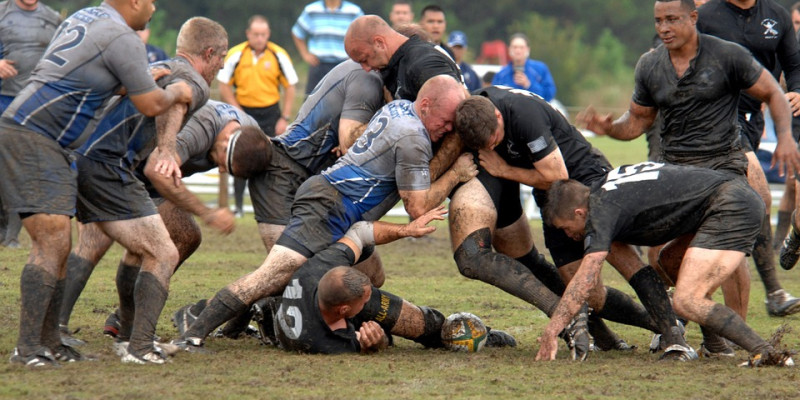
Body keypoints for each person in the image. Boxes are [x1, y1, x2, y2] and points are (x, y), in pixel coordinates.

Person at [171, 75, 474, 350]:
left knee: (372, 275)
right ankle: (193, 332)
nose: (449, 129)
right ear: (426, 105)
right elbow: (417, 207)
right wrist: (456, 174)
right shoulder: (412, 136)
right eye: (446, 121)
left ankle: (263, 314)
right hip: (329, 205)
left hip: (340, 206)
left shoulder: (400, 108)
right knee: (273, 274)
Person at [579, 0, 800, 327]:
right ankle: (689, 322)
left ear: (693, 18)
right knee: (664, 255)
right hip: (675, 171)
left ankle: (733, 329)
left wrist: (785, 138)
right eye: (658, 21)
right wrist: (610, 128)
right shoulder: (650, 65)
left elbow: (773, 92)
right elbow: (638, 120)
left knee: (730, 242)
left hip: (722, 165)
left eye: (672, 19)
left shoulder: (727, 55)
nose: (664, 28)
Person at [0, 0, 195, 368]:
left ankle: (50, 343)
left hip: (35, 133)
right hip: (35, 135)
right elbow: (152, 104)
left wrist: (137, 80)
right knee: (50, 242)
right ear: (134, 2)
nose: (153, 8)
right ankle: (27, 350)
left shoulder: (86, 16)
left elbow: (89, 78)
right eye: (150, 1)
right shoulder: (123, 36)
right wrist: (176, 93)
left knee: (59, 244)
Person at [453, 90, 683, 359]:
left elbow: (557, 176)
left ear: (498, 115)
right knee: (587, 292)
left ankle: (674, 336)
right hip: (551, 197)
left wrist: (504, 170)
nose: (493, 147)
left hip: (584, 179)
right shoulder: (476, 113)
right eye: (486, 146)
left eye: (495, 138)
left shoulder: (524, 114)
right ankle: (639, 329)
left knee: (622, 258)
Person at [66, 16, 227, 364]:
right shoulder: (195, 81)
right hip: (107, 166)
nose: (222, 67)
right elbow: (177, 100)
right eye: (222, 59)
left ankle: (60, 334)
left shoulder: (157, 67)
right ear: (209, 54)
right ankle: (139, 347)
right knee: (164, 252)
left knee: (97, 245)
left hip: (83, 157)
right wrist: (167, 149)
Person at [537, 163, 794, 367]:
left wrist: (553, 329)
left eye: (566, 228)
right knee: (670, 261)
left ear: (579, 213)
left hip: (730, 206)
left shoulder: (600, 211)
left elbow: (585, 280)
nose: (569, 235)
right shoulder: (604, 191)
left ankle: (766, 353)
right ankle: (716, 345)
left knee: (686, 300)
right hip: (726, 198)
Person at [58, 100, 263, 345]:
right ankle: (56, 327)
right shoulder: (199, 128)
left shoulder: (252, 134)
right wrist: (207, 213)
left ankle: (125, 320)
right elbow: (156, 170)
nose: (220, 170)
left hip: (142, 172)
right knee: (97, 240)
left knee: (184, 236)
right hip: (111, 161)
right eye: (223, 163)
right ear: (226, 140)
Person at [696, 0, 800, 316]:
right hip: (716, 117)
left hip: (752, 119)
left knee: (731, 213)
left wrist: (796, 90)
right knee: (760, 195)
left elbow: (793, 64)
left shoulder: (777, 16)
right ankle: (774, 292)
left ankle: (701, 312)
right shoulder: (706, 16)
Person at [217, 15, 298, 218]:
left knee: (272, 159)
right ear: (248, 34)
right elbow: (223, 84)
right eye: (256, 34)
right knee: (238, 156)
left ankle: (271, 208)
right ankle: (238, 207)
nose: (259, 38)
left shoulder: (279, 55)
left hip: (271, 114)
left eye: (263, 34)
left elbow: (290, 86)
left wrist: (284, 117)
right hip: (244, 111)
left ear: (268, 34)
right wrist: (237, 111)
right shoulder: (236, 54)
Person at [0, 0, 61, 249]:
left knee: (23, 168)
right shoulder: (2, 11)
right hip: (3, 98)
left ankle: (11, 236)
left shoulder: (53, 18)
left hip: (34, 103)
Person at [344, 15, 463, 102]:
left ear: (379, 43)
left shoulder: (422, 62)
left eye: (365, 59)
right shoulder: (398, 63)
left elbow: (454, 111)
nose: (366, 68)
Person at [292, 0, 363, 96]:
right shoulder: (312, 10)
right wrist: (305, 55)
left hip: (344, 66)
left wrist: (355, 56)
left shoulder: (354, 11)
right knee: (312, 101)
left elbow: (364, 35)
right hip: (318, 65)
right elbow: (297, 33)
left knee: (343, 101)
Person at [491, 33, 556, 102]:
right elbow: (494, 98)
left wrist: (529, 85)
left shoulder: (540, 69)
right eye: (515, 47)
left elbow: (549, 95)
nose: (518, 51)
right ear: (509, 49)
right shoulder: (501, 74)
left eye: (521, 47)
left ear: (528, 49)